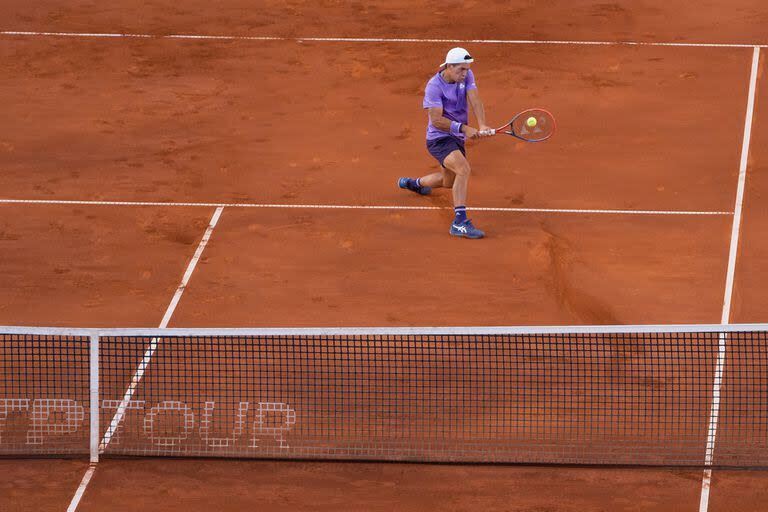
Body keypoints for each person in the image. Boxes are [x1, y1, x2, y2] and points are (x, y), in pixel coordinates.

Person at [399, 47, 492, 239]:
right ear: (449, 67)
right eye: (461, 70)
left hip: (455, 137)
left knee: (449, 182)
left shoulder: (466, 75)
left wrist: (482, 124)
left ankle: (414, 184)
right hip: (439, 138)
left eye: (467, 69)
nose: (465, 74)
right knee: (463, 169)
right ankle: (459, 223)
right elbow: (437, 121)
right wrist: (465, 129)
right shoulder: (434, 86)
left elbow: (475, 99)